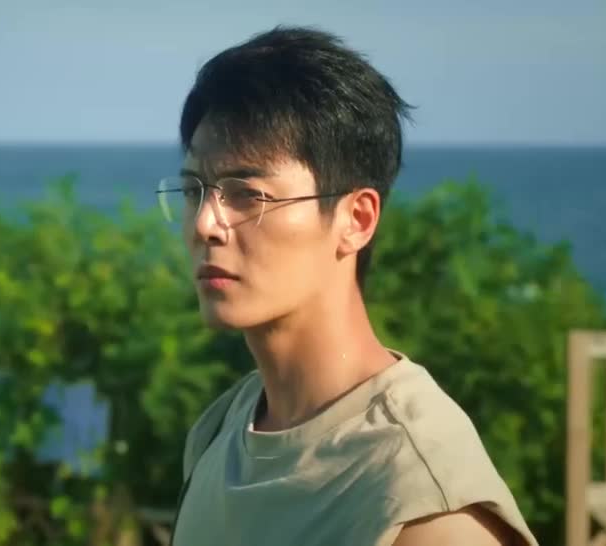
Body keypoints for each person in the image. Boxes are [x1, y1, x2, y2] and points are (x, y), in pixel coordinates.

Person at [157, 26, 539, 546]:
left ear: (356, 219)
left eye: (247, 194)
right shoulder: (221, 432)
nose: (205, 223)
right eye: (193, 191)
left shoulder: (422, 502)